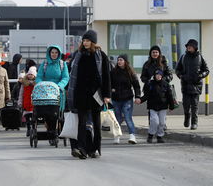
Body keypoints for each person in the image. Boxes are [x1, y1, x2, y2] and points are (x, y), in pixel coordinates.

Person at [67, 30, 111, 159]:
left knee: (96, 124)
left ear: (93, 42)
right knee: (81, 123)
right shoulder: (78, 54)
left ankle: (95, 148)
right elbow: (72, 74)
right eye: (84, 40)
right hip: (80, 93)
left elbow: (106, 76)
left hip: (96, 94)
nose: (85, 43)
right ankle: (82, 149)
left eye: (87, 40)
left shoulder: (101, 55)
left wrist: (107, 95)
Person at [175, 39, 210, 130]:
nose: (188, 47)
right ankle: (187, 117)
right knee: (186, 105)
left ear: (195, 47)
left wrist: (201, 75)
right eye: (187, 46)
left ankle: (194, 123)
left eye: (190, 46)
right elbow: (177, 69)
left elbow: (206, 70)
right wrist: (181, 76)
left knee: (194, 105)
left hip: (196, 85)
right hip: (186, 84)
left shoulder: (200, 57)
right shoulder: (183, 57)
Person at [35, 45, 70, 131]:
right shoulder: (45, 63)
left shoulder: (62, 64)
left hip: (58, 91)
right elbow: (39, 76)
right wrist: (41, 85)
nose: (54, 54)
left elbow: (65, 77)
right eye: (52, 52)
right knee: (47, 111)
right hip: (46, 91)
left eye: (56, 52)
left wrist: (59, 86)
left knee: (57, 113)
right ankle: (50, 128)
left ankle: (60, 129)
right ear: (49, 53)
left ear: (59, 54)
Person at [110, 54, 141, 144]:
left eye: (121, 60)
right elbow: (109, 83)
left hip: (127, 98)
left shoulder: (130, 73)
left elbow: (136, 86)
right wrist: (111, 90)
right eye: (118, 60)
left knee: (128, 117)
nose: (119, 61)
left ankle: (132, 136)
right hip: (116, 98)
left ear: (125, 62)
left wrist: (138, 96)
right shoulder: (113, 72)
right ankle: (117, 136)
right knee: (117, 118)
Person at [140, 69, 175, 143]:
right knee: (154, 122)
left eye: (160, 75)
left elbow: (170, 96)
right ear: (154, 76)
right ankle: (150, 135)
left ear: (162, 76)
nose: (158, 76)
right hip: (153, 106)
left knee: (162, 122)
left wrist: (171, 106)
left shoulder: (166, 84)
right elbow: (146, 95)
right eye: (157, 75)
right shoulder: (150, 84)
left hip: (163, 107)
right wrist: (140, 100)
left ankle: (160, 136)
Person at [18, 66, 37, 136]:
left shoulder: (36, 84)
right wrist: (20, 102)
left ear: (34, 75)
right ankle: (28, 129)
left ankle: (33, 128)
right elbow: (21, 93)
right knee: (27, 117)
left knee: (34, 117)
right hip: (26, 102)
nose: (30, 76)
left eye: (31, 74)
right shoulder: (24, 83)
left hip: (34, 103)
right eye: (29, 74)